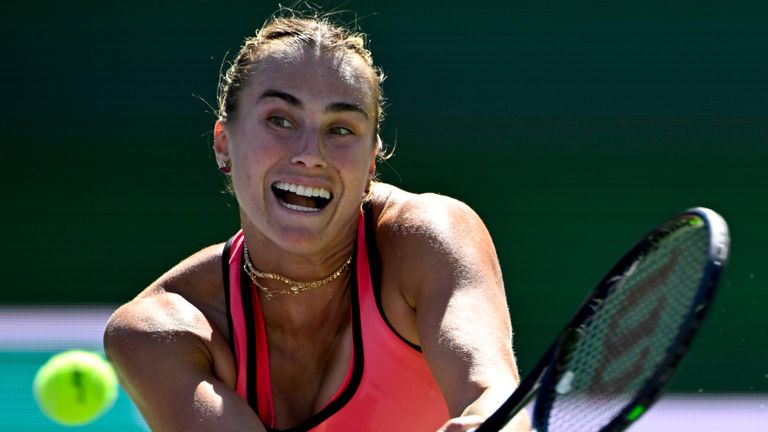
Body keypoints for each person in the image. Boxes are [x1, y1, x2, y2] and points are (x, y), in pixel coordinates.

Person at [104, 8, 530, 432]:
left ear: (370, 163)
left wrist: (486, 423)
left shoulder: (430, 237)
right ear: (223, 145)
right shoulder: (157, 333)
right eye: (280, 120)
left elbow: (492, 397)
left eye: (341, 129)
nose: (310, 153)